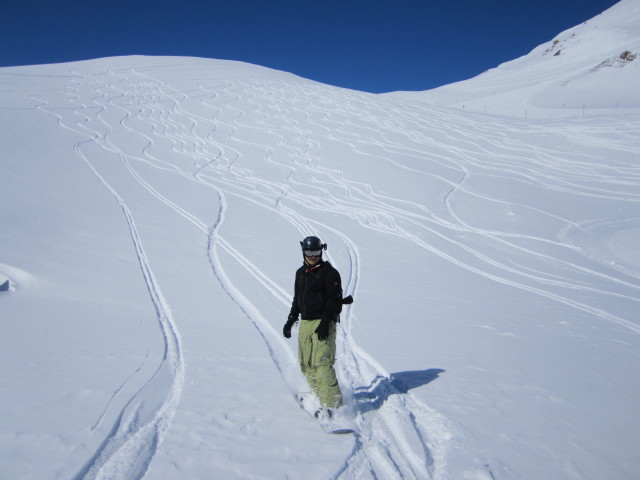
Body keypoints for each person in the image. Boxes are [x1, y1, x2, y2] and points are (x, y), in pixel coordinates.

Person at [283, 236, 351, 416]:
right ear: (303, 252)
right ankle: (318, 395)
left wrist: (325, 322)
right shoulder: (300, 273)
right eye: (309, 253)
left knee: (322, 363)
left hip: (324, 322)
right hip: (306, 322)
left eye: (316, 253)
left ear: (321, 251)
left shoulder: (330, 273)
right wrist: (291, 320)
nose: (312, 256)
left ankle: (333, 406)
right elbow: (297, 299)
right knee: (307, 364)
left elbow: (333, 300)